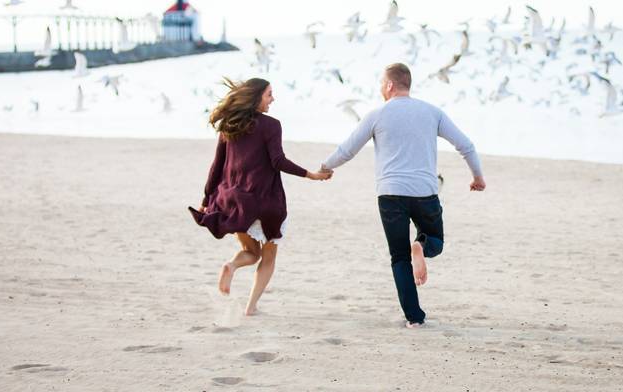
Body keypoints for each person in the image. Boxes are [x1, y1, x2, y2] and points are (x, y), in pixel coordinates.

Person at [321, 63, 485, 328]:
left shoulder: (376, 114)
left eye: (380, 84)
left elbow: (348, 149)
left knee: (399, 257)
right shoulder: (432, 112)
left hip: (389, 195)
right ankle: (422, 245)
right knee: (437, 242)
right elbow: (465, 145)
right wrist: (477, 177)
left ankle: (414, 319)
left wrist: (325, 167)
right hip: (425, 192)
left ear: (389, 85)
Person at [189, 77, 332, 316]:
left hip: (234, 202)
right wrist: (311, 175)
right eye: (269, 94)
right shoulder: (271, 125)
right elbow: (278, 161)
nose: (272, 99)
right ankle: (251, 307)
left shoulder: (229, 125)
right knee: (267, 257)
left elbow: (216, 167)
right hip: (266, 203)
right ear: (256, 97)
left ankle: (232, 265)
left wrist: (206, 201)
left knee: (251, 253)